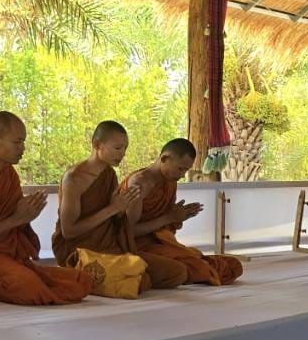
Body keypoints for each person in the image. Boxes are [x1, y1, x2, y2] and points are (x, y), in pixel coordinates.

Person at [0, 112, 92, 305]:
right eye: (17, 142)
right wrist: (16, 219)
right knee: (29, 288)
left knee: (82, 280)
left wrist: (28, 214)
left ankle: (11, 275)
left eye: (23, 142)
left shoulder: (9, 173)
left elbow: (16, 220)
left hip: (12, 254)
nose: (23, 148)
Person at [50, 121, 184, 291]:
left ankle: (97, 277)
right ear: (97, 145)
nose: (122, 154)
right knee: (140, 281)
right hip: (79, 251)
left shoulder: (109, 174)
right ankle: (80, 272)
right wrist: (112, 209)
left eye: (125, 149)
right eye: (118, 148)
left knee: (176, 272)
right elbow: (69, 231)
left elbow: (120, 221)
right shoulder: (74, 178)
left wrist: (130, 204)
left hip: (109, 247)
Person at [123, 138, 244, 286]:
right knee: (190, 268)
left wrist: (178, 218)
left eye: (186, 170)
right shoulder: (139, 183)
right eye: (180, 169)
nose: (182, 175)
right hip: (134, 246)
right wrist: (169, 218)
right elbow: (127, 232)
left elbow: (165, 226)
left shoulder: (170, 182)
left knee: (233, 264)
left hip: (159, 243)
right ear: (164, 158)